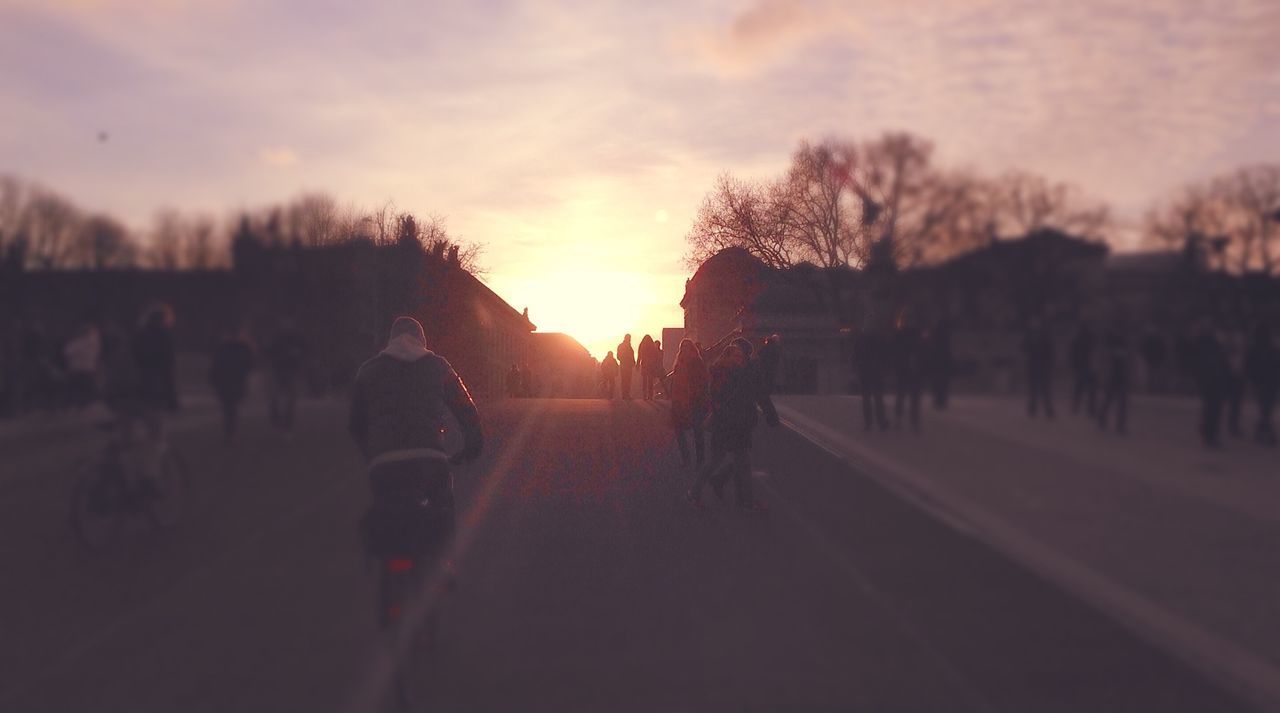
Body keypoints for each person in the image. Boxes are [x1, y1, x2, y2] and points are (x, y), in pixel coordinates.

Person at [348, 317, 483, 564]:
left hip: (384, 463)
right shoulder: (439, 366)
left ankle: (379, 558)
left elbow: (355, 423)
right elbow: (466, 410)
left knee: (382, 507)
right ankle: (444, 566)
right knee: (443, 507)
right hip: (430, 459)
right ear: (422, 341)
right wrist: (472, 445)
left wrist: (371, 456)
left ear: (390, 341)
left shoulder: (368, 370)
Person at [687, 338, 778, 512]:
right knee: (719, 460)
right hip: (726, 424)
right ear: (727, 356)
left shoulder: (744, 372)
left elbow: (758, 395)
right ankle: (698, 491)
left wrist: (769, 415)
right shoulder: (723, 373)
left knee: (740, 461)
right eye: (735, 355)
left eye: (741, 355)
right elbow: (717, 398)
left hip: (739, 424)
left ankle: (743, 500)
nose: (739, 358)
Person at [132, 305, 178, 440]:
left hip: (137, 387)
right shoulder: (164, 338)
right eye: (169, 318)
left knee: (144, 429)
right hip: (155, 390)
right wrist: (172, 398)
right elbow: (167, 370)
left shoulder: (138, 336)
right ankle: (146, 460)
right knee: (156, 436)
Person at [668, 339, 709, 467]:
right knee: (681, 430)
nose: (684, 350)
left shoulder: (695, 362)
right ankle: (689, 460)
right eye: (683, 347)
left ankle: (698, 460)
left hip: (694, 401)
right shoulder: (680, 364)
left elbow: (703, 382)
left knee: (696, 431)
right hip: (680, 402)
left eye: (686, 347)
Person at [209, 328, 255, 443]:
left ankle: (230, 431)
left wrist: (213, 378)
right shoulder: (242, 349)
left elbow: (216, 365)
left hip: (229, 380)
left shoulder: (224, 349)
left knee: (229, 407)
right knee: (230, 407)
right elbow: (249, 364)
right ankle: (230, 431)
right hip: (232, 380)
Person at [1192, 322, 1231, 448]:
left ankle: (1209, 434)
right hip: (1213, 380)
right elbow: (1216, 362)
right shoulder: (1210, 345)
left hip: (1211, 381)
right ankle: (1210, 435)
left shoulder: (1203, 344)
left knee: (1211, 408)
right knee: (1213, 409)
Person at [265, 322, 307, 432]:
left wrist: (299, 360)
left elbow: (305, 351)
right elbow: (268, 352)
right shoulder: (276, 338)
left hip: (291, 370)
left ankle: (287, 424)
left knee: (291, 398)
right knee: (274, 396)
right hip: (277, 369)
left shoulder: (297, 338)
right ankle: (276, 417)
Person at [1244, 323, 1279, 446]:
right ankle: (1267, 433)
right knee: (1266, 409)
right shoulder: (1269, 348)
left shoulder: (1256, 348)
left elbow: (1249, 366)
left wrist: (1251, 380)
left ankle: (1262, 430)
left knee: (1265, 409)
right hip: (1269, 383)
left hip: (1264, 383)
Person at [1096, 322, 1131, 434]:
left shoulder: (1118, 346)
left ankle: (1118, 424)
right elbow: (1108, 362)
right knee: (1112, 400)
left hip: (1118, 376)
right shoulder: (1112, 347)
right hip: (1114, 377)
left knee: (1116, 401)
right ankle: (1115, 423)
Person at [892, 313, 924, 431]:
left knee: (909, 397)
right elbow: (897, 352)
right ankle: (903, 420)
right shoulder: (908, 334)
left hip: (910, 370)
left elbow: (921, 351)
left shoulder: (907, 334)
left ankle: (911, 421)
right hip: (906, 369)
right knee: (904, 396)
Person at [853, 326, 889, 431]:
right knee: (877, 397)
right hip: (876, 371)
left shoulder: (861, 339)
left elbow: (856, 355)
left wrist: (856, 367)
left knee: (867, 398)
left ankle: (869, 423)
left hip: (865, 371)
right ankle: (881, 421)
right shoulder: (880, 339)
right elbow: (885, 354)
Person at [1022, 317, 1055, 419]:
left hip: (1041, 365)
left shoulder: (1043, 335)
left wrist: (1049, 362)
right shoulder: (1029, 335)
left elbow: (1049, 350)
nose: (1034, 324)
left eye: (1036, 322)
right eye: (1033, 322)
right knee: (1034, 389)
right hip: (1033, 364)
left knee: (1044, 389)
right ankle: (1033, 409)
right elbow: (1023, 347)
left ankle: (1047, 410)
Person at [63, 322, 101, 409]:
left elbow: (67, 351)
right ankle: (86, 407)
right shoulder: (95, 341)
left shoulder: (82, 342)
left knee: (78, 390)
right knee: (87, 390)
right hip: (89, 368)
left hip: (79, 369)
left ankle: (79, 407)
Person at [1068, 323, 1097, 416]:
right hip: (1086, 364)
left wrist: (1074, 365)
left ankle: (1080, 407)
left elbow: (1073, 352)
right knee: (1087, 387)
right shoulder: (1088, 338)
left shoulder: (1079, 338)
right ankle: (1089, 408)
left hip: (1084, 364)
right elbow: (1074, 352)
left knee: (1081, 387)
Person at [926, 317, 952, 410]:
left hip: (938, 361)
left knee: (938, 382)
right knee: (941, 382)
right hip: (941, 361)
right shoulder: (945, 337)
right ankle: (941, 401)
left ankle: (939, 401)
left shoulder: (936, 336)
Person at [636, 335, 657, 401]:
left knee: (644, 381)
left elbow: (639, 355)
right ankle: (650, 396)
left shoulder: (642, 345)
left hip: (644, 364)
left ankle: (645, 396)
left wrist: (637, 364)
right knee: (650, 381)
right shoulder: (652, 345)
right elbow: (655, 356)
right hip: (651, 365)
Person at [617, 334, 636, 400]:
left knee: (625, 380)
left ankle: (625, 394)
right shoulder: (625, 346)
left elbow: (618, 356)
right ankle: (625, 394)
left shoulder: (623, 346)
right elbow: (619, 356)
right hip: (626, 365)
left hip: (625, 366)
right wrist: (626, 359)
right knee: (626, 380)